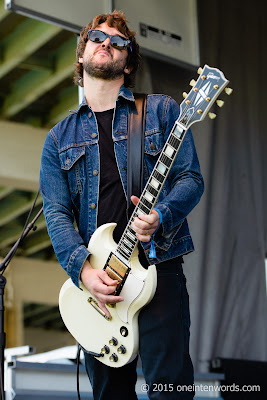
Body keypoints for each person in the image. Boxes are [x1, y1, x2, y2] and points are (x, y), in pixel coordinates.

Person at [40, 10, 204, 400]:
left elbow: (190, 179)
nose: (106, 43)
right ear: (81, 55)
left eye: (118, 41)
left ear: (127, 62)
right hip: (101, 286)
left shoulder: (162, 111)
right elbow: (57, 212)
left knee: (170, 390)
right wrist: (83, 270)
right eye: (97, 37)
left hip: (158, 270)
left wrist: (161, 216)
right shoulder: (58, 139)